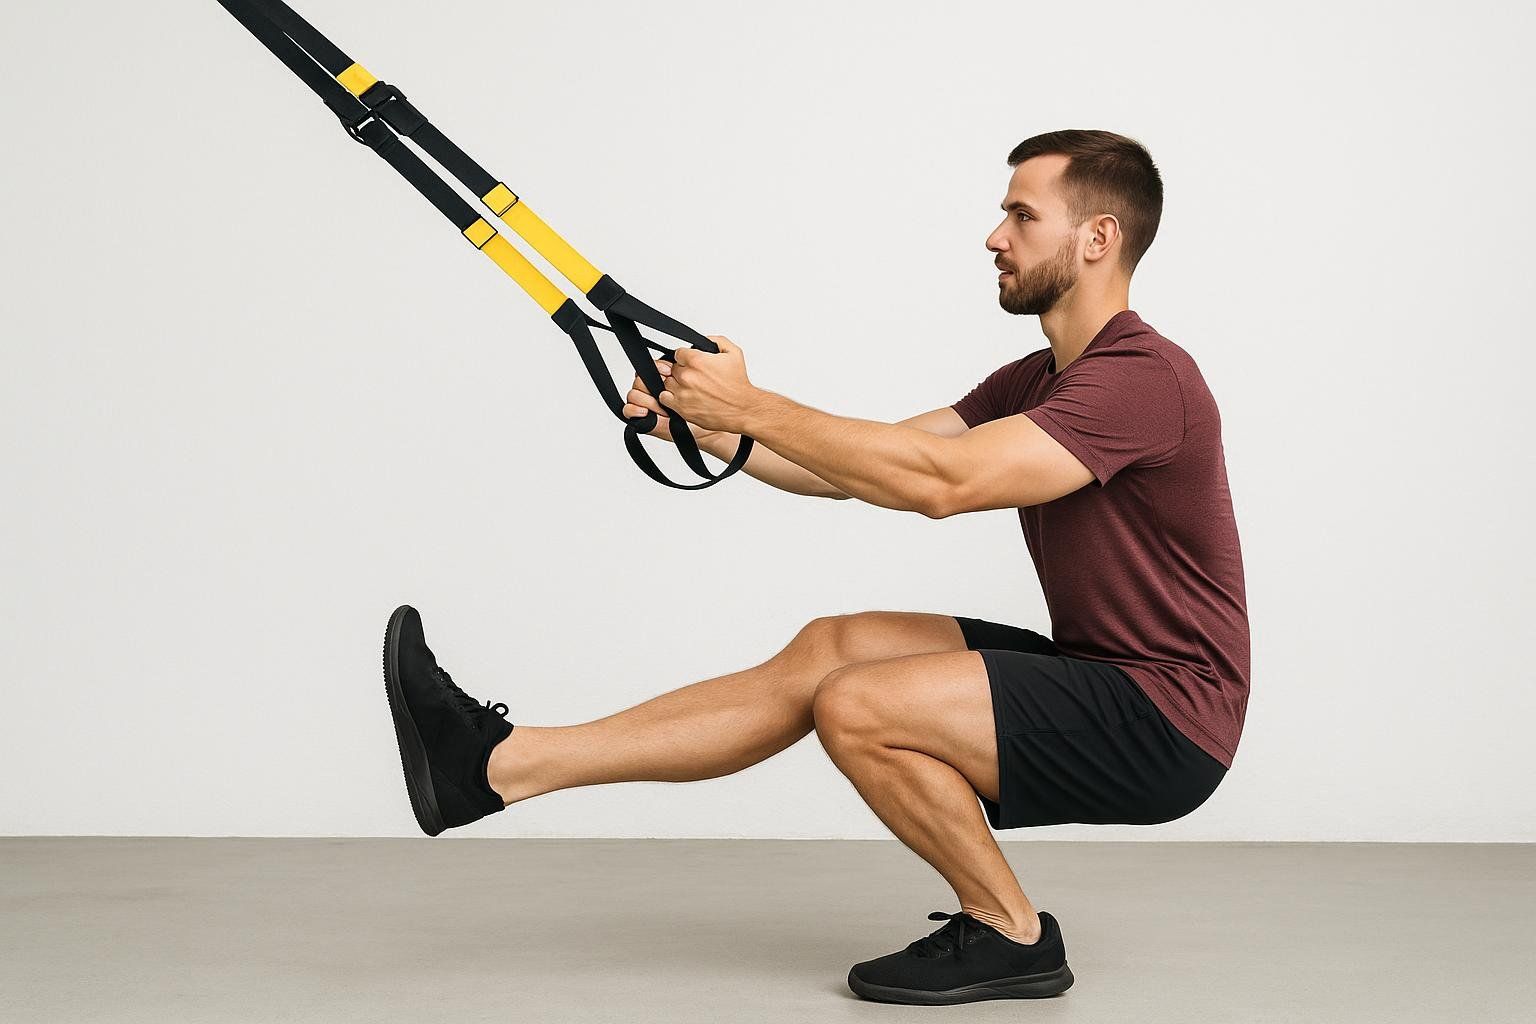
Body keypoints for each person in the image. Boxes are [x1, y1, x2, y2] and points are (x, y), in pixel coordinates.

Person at [381, 128, 1248, 1006]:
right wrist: (722, 432)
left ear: (1097, 238)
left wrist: (753, 403)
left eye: (1023, 216)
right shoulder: (1037, 378)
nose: (995, 237)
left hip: (1167, 716)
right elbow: (871, 465)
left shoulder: (1142, 377)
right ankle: (495, 765)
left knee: (859, 705)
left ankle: (1009, 930)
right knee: (837, 648)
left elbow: (943, 483)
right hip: (1100, 673)